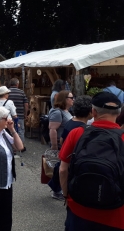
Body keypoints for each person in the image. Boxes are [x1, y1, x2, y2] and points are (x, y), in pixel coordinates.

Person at [59, 92, 124, 230]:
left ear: (93, 111)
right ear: (118, 114)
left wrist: (66, 195)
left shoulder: (77, 133)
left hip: (78, 210)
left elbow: (63, 169)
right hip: (115, 215)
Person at [47, 96, 92, 201]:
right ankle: (60, 191)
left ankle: (56, 189)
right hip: (73, 155)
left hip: (65, 151)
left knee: (60, 168)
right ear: (90, 112)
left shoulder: (70, 122)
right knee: (65, 172)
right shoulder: (83, 128)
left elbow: (62, 139)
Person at [47, 90, 73, 200]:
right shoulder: (57, 112)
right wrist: (54, 146)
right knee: (59, 168)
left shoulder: (66, 111)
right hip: (60, 144)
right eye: (71, 98)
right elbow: (53, 129)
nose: (73, 100)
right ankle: (56, 190)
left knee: (61, 167)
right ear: (64, 99)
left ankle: (59, 188)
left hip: (66, 143)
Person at [8, 78, 28, 149]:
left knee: (10, 130)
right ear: (17, 84)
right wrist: (26, 114)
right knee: (21, 130)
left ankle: (12, 146)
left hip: (9, 116)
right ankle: (21, 146)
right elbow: (26, 104)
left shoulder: (7, 92)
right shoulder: (21, 92)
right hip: (20, 115)